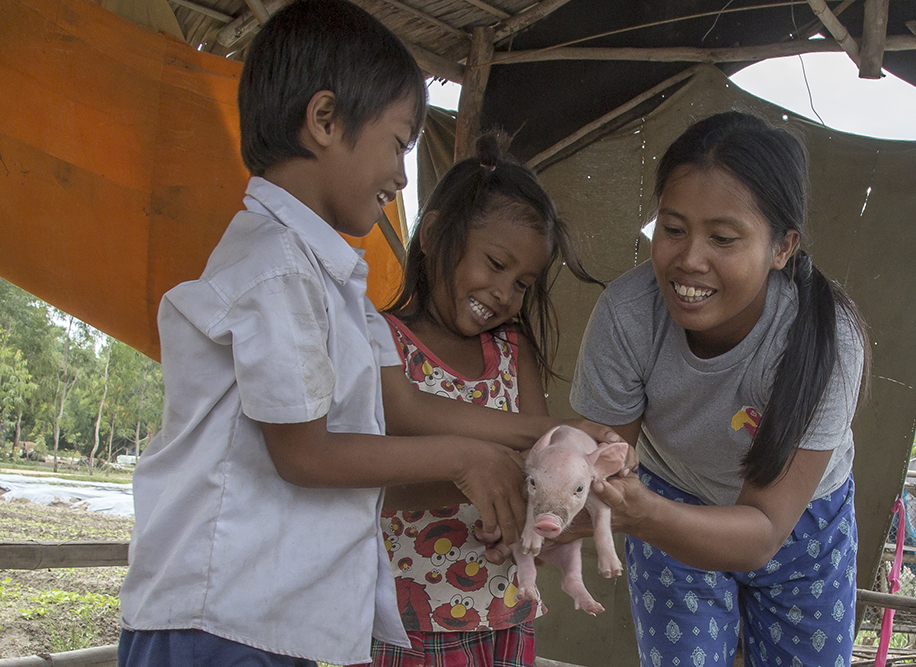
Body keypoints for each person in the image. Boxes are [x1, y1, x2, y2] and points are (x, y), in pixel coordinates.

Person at [117, 3, 615, 666]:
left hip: (267, 617)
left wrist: (554, 441)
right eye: (401, 142)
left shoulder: (337, 281)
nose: (404, 176)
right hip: (216, 616)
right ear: (325, 120)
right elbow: (306, 454)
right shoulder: (277, 267)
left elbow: (401, 413)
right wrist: (464, 460)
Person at [571, 111, 870, 667]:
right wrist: (548, 516)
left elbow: (761, 533)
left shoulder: (828, 340)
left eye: (723, 238)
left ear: (782, 248)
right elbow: (597, 467)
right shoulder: (628, 316)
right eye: (673, 229)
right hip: (670, 496)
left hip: (802, 524)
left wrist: (640, 514)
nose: (689, 260)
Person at [361, 134, 602, 667]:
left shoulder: (512, 349)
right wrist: (481, 478)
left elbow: (540, 461)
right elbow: (374, 481)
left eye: (521, 283)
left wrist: (522, 511)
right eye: (494, 264)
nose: (503, 292)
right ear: (432, 234)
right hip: (406, 620)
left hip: (505, 607)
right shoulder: (382, 343)